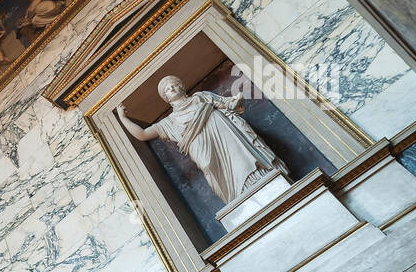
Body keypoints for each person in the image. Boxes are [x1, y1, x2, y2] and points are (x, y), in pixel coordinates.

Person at [115, 74, 287, 204]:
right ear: (166, 98)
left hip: (226, 135)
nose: (172, 89)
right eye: (168, 89)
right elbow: (142, 135)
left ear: (182, 87)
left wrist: (235, 102)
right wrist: (123, 118)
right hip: (202, 149)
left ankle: (258, 179)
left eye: (174, 85)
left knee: (240, 157)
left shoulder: (201, 97)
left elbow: (227, 104)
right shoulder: (169, 122)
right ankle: (237, 198)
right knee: (208, 166)